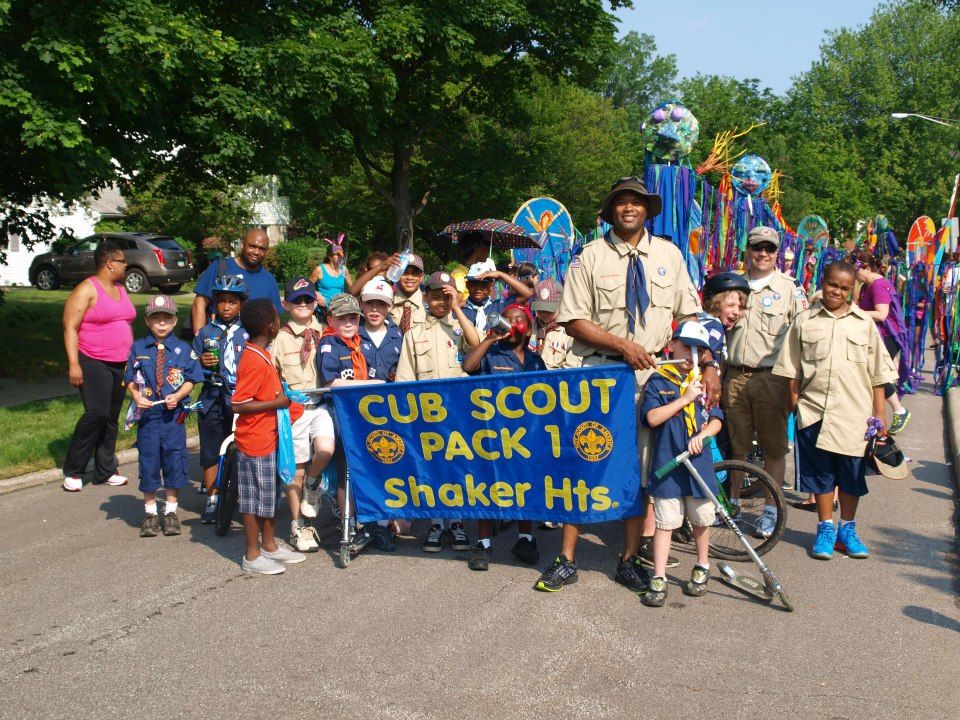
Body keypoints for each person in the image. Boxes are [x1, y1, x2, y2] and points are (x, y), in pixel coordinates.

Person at [535, 176, 719, 594]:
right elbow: (572, 319)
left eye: (637, 202)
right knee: (584, 462)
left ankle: (629, 557)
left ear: (647, 210)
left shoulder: (670, 256)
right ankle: (566, 558)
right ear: (610, 211)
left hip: (653, 375)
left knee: (642, 469)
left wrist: (709, 362)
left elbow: (690, 317)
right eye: (621, 203)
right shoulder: (590, 257)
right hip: (599, 372)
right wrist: (623, 345)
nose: (629, 208)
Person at [773, 261, 897, 560]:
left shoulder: (864, 323)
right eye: (832, 285)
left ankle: (848, 530)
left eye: (844, 288)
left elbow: (878, 375)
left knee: (852, 476)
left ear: (853, 290)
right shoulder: (804, 320)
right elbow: (792, 370)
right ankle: (826, 528)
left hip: (855, 416)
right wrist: (796, 408)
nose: (837, 292)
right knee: (822, 476)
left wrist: (879, 416)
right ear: (823, 282)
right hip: (814, 413)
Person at [722, 226, 807, 539]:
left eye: (769, 249)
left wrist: (798, 382)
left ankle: (771, 510)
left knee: (773, 447)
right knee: (736, 445)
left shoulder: (789, 289)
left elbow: (802, 336)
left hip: (771, 378)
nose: (763, 254)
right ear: (748, 249)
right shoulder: (731, 283)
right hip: (733, 375)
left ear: (777, 253)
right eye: (757, 247)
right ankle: (732, 504)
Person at [395, 271, 481, 552]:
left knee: (456, 466)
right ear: (425, 298)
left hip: (457, 411)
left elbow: (477, 344)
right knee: (431, 468)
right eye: (435, 297)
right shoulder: (413, 334)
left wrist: (457, 307)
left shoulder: (459, 326)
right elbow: (405, 378)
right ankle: (434, 523)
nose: (440, 302)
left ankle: (456, 522)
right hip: (426, 413)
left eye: (446, 297)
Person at [640, 321, 723, 607]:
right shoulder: (659, 380)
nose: (691, 353)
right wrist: (684, 399)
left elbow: (717, 419)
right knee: (666, 522)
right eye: (686, 346)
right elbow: (652, 418)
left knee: (701, 519)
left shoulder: (705, 383)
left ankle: (702, 566)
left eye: (698, 350)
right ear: (671, 345)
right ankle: (659, 576)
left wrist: (705, 434)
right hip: (667, 464)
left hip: (698, 464)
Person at [462, 303, 546, 571]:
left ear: (528, 327)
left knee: (525, 486)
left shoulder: (535, 360)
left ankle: (525, 538)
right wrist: (489, 339)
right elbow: (468, 365)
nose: (510, 325)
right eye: (506, 321)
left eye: (517, 320)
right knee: (489, 486)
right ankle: (483, 543)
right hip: (493, 433)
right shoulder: (492, 354)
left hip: (526, 436)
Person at [231, 299, 306, 575]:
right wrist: (278, 403)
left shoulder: (262, 354)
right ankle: (252, 554)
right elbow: (239, 404)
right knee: (253, 500)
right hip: (255, 441)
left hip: (270, 437)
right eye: (277, 318)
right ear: (270, 326)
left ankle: (270, 545)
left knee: (270, 496)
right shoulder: (252, 359)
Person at [124, 295, 203, 537]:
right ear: (147, 321)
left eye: (166, 318)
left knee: (174, 461)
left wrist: (178, 396)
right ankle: (150, 513)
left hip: (172, 419)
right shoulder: (138, 348)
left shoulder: (183, 349)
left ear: (175, 320)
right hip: (149, 418)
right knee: (148, 462)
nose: (161, 323)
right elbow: (130, 379)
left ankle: (170, 512)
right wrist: (137, 398)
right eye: (155, 318)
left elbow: (192, 379)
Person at [62, 240, 137, 491]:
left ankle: (105, 471)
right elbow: (70, 327)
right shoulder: (86, 289)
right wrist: (74, 364)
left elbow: (124, 324)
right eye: (122, 261)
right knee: (96, 413)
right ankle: (74, 469)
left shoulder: (120, 288)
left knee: (111, 417)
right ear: (109, 263)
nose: (125, 265)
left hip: (121, 362)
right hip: (93, 359)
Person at [316, 293, 387, 544]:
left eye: (353, 317)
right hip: (340, 412)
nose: (348, 322)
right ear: (330, 319)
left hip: (364, 413)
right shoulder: (329, 344)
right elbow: (329, 381)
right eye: (342, 317)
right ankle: (349, 523)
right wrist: (368, 384)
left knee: (366, 466)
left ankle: (369, 519)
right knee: (346, 466)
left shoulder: (360, 343)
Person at [271, 277, 332, 554]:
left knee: (325, 450)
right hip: (295, 410)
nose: (304, 305)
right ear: (287, 304)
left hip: (321, 405)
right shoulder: (279, 339)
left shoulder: (326, 332)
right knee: (295, 471)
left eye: (308, 299)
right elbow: (272, 375)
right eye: (298, 300)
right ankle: (299, 526)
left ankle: (313, 482)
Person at [193, 275, 250, 523]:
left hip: (241, 396)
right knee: (212, 448)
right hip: (212, 396)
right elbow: (189, 366)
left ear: (241, 305)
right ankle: (213, 498)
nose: (226, 307)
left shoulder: (249, 332)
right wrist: (200, 363)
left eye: (232, 302)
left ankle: (243, 494)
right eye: (222, 301)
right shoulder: (205, 333)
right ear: (214, 303)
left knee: (245, 446)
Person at [853, 253, 911, 433]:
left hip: (886, 337)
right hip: (875, 337)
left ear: (867, 269)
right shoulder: (867, 286)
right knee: (872, 375)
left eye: (856, 270)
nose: (854, 274)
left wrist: (851, 311)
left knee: (876, 375)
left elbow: (881, 314)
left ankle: (899, 410)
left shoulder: (879, 285)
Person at [192, 228, 282, 335]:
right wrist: (201, 340)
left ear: (266, 252)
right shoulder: (220, 267)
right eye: (252, 246)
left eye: (262, 249)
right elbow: (199, 304)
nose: (256, 252)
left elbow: (275, 318)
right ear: (242, 245)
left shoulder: (269, 280)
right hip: (219, 342)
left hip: (254, 346)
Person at [460, 259, 533, 331]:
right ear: (467, 285)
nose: (478, 289)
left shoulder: (499, 306)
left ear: (491, 286)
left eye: (483, 285)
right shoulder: (460, 311)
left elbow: (527, 294)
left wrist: (500, 274)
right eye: (474, 284)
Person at [530, 277, 580, 370]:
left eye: (549, 310)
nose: (544, 313)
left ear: (562, 304)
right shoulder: (529, 328)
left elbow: (571, 367)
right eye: (540, 309)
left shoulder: (571, 332)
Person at [388, 253, 427, 333]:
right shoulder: (387, 301)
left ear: (422, 276)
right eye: (404, 272)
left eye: (415, 273)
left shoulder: (428, 304)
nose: (409, 277)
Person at [310, 238, 352, 309]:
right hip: (324, 310)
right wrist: (316, 293)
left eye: (342, 254)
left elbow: (352, 288)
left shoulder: (344, 270)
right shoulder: (319, 269)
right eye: (337, 255)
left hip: (339, 309)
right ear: (330, 257)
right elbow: (307, 286)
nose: (341, 257)